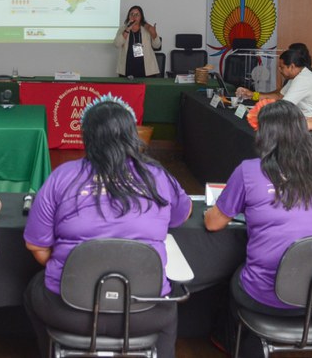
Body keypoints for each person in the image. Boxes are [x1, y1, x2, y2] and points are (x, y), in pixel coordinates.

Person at [23, 96, 192, 358]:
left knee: (34, 288)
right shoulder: (157, 175)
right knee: (169, 313)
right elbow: (182, 214)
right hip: (144, 314)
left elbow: (36, 243)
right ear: (131, 134)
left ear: (87, 136)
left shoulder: (62, 176)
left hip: (70, 311)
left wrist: (74, 270)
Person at [205, 100, 312, 356]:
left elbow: (214, 223)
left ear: (264, 134)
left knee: (232, 274)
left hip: (267, 297)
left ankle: (231, 342)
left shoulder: (249, 171)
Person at [235, 46, 312, 117]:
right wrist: (252, 95)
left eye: (281, 67)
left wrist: (258, 110)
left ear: (292, 66)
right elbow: (279, 96)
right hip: (302, 120)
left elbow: (284, 106)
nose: (279, 70)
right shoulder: (297, 76)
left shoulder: (304, 79)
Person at [113, 5, 161, 77]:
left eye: (137, 14)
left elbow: (157, 45)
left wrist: (154, 34)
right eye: (131, 14)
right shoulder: (123, 29)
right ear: (128, 16)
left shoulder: (147, 29)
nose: (134, 16)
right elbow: (117, 44)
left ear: (141, 17)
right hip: (127, 68)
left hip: (146, 69)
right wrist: (127, 29)